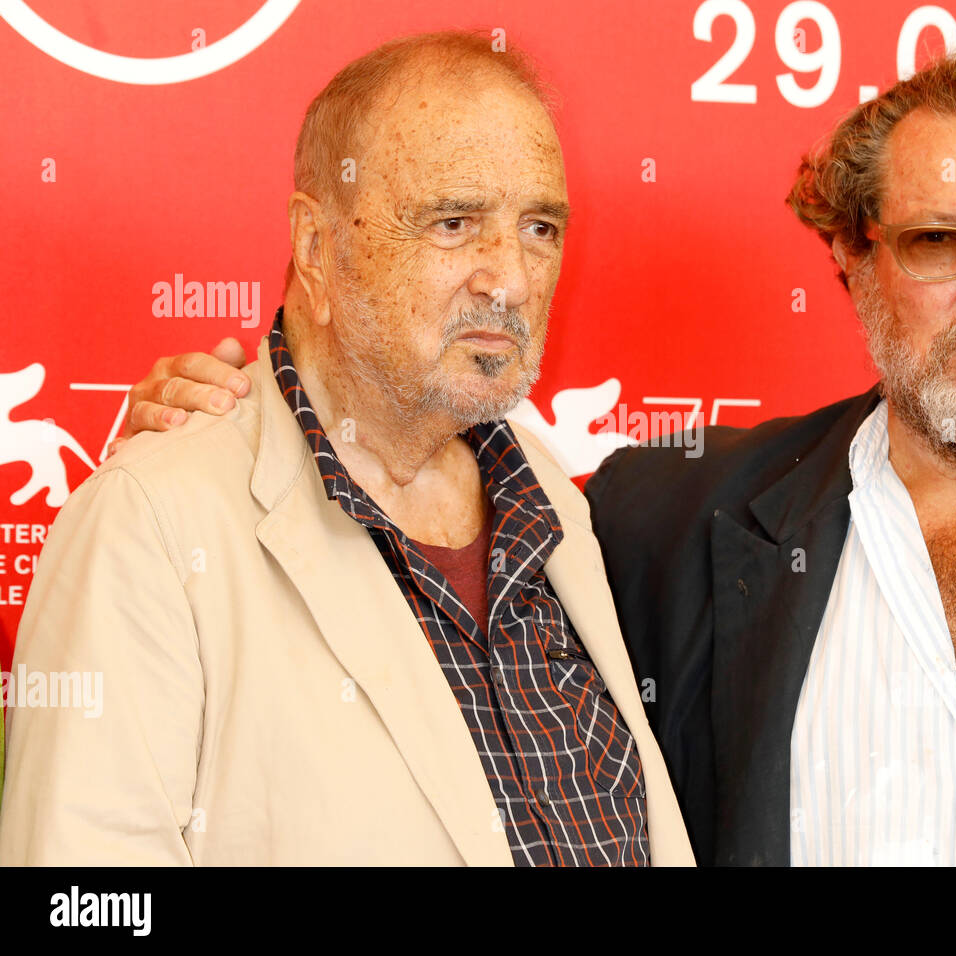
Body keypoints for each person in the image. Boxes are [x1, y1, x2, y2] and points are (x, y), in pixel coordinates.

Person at [111, 51, 956, 867]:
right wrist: (246, 424)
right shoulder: (657, 520)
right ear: (852, 257)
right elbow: (395, 518)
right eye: (937, 242)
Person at [0, 32, 693, 866]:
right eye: (454, 222)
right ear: (317, 247)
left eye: (539, 226)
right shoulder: (148, 524)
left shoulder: (556, 508)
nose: (509, 276)